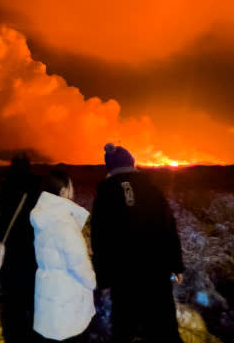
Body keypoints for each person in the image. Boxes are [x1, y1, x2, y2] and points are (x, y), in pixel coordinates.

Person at [90, 142, 184, 343]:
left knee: (124, 329)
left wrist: (104, 277)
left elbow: (100, 238)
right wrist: (176, 265)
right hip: (156, 272)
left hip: (123, 276)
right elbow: (169, 228)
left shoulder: (105, 193)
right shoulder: (152, 189)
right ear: (132, 163)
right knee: (164, 327)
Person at [31, 169, 95, 342]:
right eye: (71, 185)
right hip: (67, 303)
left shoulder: (44, 217)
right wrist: (93, 280)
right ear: (63, 191)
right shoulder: (63, 222)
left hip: (49, 298)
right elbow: (77, 264)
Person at [0, 153, 42, 343]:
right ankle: (29, 335)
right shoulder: (35, 187)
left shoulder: (7, 186)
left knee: (11, 300)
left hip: (11, 251)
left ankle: (11, 335)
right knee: (29, 297)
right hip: (30, 251)